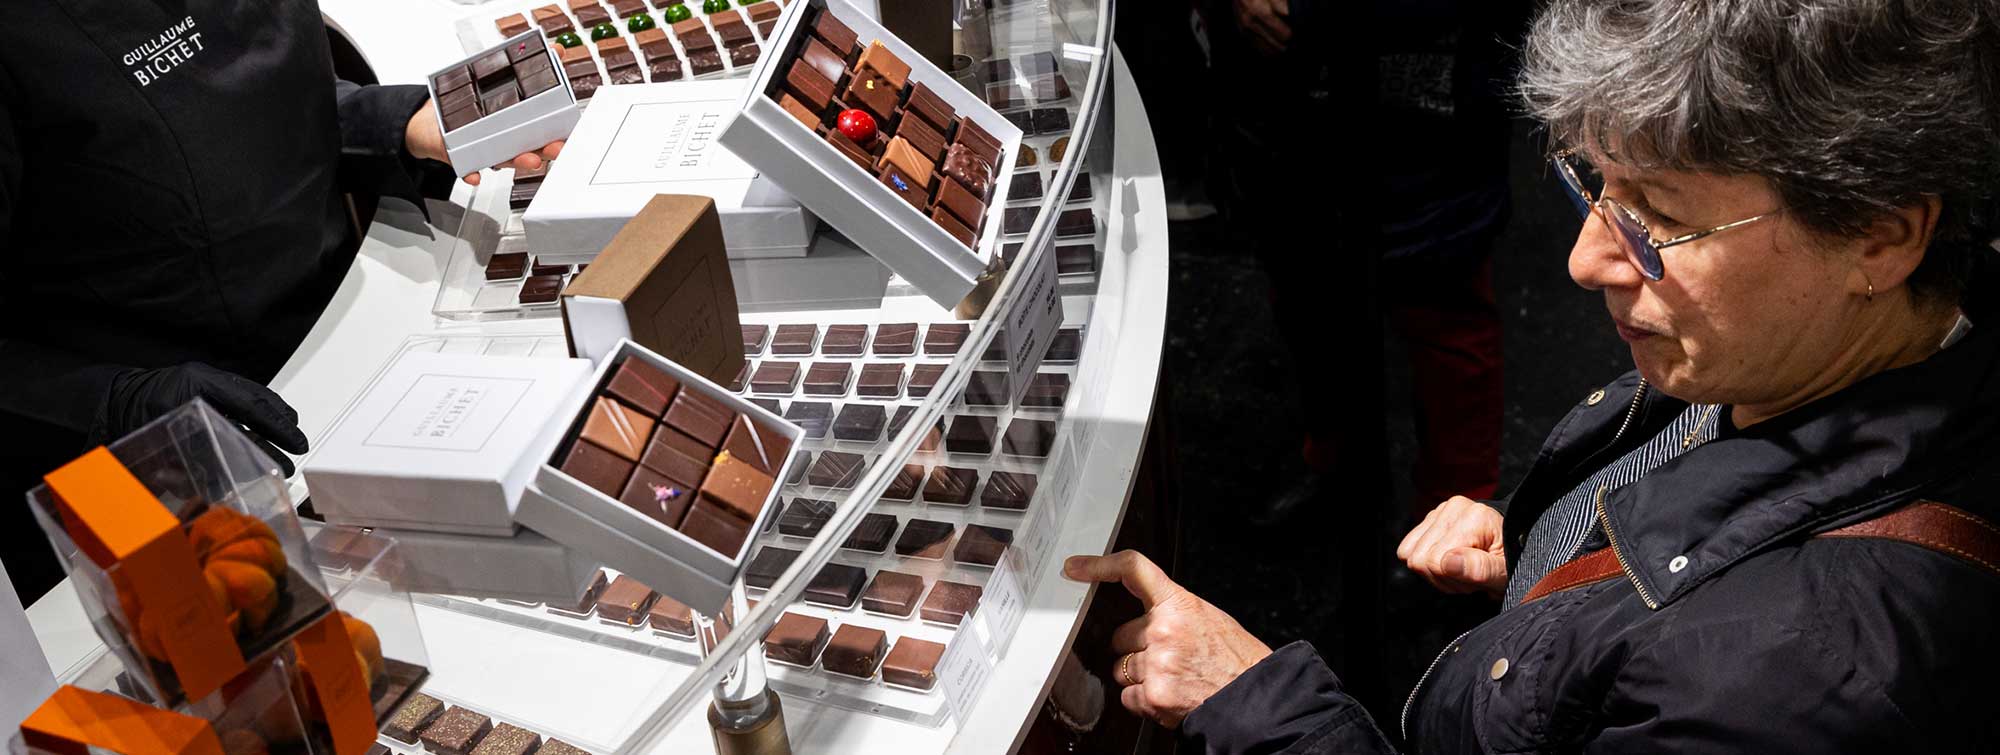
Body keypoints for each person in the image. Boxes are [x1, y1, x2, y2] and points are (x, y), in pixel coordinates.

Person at [1068, 0, 2000, 750]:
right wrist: (1553, 555)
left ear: (1879, 234)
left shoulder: (1796, 688)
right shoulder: (1798, 354)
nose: (1586, 259)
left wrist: (1258, 698)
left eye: (1658, 218)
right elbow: (1709, 532)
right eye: (1596, 185)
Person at [0, 1, 558, 601]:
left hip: (355, 341)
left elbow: (249, 114)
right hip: (153, 469)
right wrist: (117, 399)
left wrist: (394, 121)